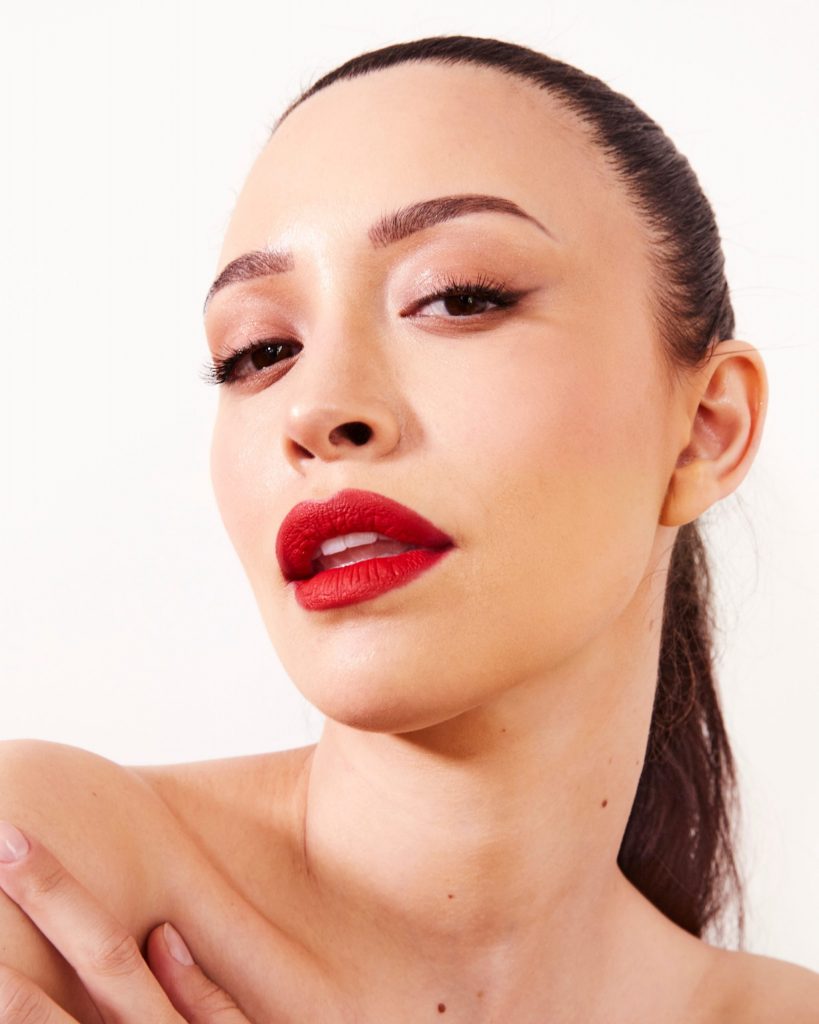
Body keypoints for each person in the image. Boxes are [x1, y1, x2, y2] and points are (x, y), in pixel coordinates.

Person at [0, 33, 817, 1024]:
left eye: (457, 298)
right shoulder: (47, 876)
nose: (316, 408)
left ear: (704, 431)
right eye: (259, 351)